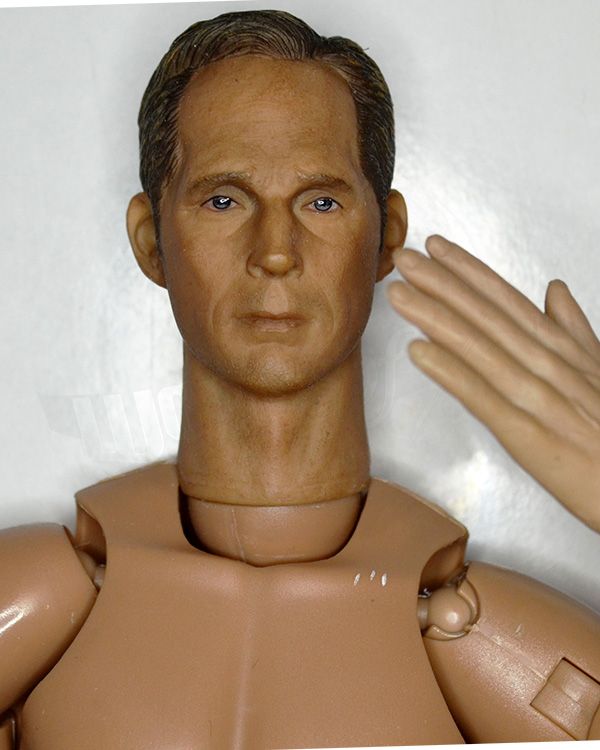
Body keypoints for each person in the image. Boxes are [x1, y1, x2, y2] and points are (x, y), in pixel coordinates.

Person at [1, 9, 599, 749]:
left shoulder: (482, 644)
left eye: (321, 201)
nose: (276, 251)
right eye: (224, 200)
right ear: (151, 241)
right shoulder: (39, 606)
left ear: (385, 236)